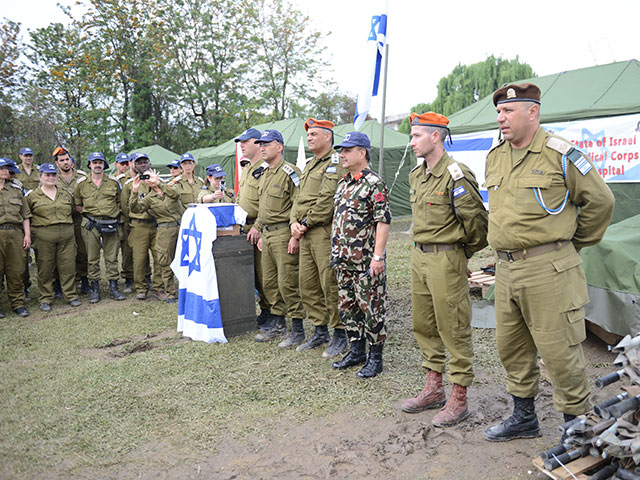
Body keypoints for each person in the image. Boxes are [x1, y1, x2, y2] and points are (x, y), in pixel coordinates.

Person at [482, 83, 615, 442]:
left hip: (550, 270)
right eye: (499, 112)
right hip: (506, 269)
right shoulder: (495, 154)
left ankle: (576, 429)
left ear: (532, 113)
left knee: (559, 352)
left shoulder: (561, 154)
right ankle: (523, 418)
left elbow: (601, 202)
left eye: (508, 112)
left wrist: (569, 243)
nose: (501, 118)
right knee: (511, 347)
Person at [399, 112, 488, 427]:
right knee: (424, 324)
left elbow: (477, 224)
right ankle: (434, 387)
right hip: (419, 257)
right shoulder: (416, 175)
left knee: (454, 326)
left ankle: (459, 395)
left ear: (435, 136)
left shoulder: (456, 174)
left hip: (446, 258)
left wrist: (461, 254)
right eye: (412, 136)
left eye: (416, 136)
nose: (412, 142)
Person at [329, 132, 391, 378]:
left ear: (362, 152)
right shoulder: (344, 183)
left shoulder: (374, 184)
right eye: (340, 150)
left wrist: (378, 257)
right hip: (343, 260)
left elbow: (383, 222)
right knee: (348, 307)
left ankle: (376, 358)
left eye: (347, 150)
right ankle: (356, 351)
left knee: (371, 308)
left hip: (365, 261)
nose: (341, 155)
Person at [287, 118, 347, 355]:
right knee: (308, 284)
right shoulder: (310, 164)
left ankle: (340, 333)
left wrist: (304, 222)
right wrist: (293, 222)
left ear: (327, 137)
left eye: (314, 134)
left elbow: (328, 199)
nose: (309, 138)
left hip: (322, 231)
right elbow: (298, 198)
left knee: (328, 283)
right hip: (305, 233)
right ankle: (320, 331)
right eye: (309, 134)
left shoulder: (335, 162)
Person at [252, 130, 305, 342]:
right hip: (268, 234)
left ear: (279, 147)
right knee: (270, 282)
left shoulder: (289, 172)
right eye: (260, 145)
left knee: (287, 282)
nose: (262, 148)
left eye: (267, 144)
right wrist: (262, 230)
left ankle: (298, 329)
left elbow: (299, 203)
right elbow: (264, 208)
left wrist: (295, 235)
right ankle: (278, 324)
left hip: (284, 232)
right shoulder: (264, 174)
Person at [26, 163, 81, 311]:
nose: (50, 178)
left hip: (66, 234)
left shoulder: (66, 194)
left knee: (68, 266)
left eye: (53, 175)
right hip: (44, 235)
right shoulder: (32, 196)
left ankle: (70, 295)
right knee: (45, 267)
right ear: (40, 176)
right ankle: (45, 298)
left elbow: (72, 211)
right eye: (47, 175)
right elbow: (27, 215)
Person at [74, 152, 126, 303]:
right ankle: (94, 289)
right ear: (89, 164)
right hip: (91, 224)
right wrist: (91, 216)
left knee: (112, 257)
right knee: (92, 258)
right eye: (94, 162)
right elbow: (77, 205)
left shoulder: (113, 182)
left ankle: (113, 288)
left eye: (100, 162)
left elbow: (118, 202)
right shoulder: (81, 183)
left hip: (110, 223)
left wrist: (109, 214)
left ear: (104, 165)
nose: (97, 165)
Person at [236, 128, 272, 330]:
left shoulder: (266, 169)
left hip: (261, 227)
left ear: (258, 143)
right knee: (256, 276)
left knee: (266, 274)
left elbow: (266, 203)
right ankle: (266, 311)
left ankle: (274, 313)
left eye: (245, 141)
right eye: (240, 142)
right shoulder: (249, 168)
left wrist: (258, 225)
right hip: (246, 227)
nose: (241, 144)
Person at [130, 169, 182, 303]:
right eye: (146, 177)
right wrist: (134, 191)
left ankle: (186, 288)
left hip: (181, 227)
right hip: (165, 230)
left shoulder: (170, 187)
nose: (149, 179)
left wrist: (160, 184)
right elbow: (135, 208)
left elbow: (176, 195)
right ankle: (170, 292)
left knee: (185, 259)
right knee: (165, 261)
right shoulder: (148, 198)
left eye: (151, 176)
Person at [121, 153, 162, 300]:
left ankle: (158, 287)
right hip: (139, 226)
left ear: (149, 164)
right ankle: (141, 288)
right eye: (139, 163)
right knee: (139, 259)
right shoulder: (129, 185)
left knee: (160, 258)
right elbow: (126, 208)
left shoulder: (158, 181)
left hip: (157, 225)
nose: (143, 164)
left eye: (145, 162)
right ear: (134, 165)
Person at [54, 147, 89, 295]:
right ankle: (58, 284)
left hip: (80, 219)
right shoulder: (52, 177)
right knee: (61, 254)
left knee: (83, 251)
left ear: (71, 161)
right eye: (61, 160)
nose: (65, 162)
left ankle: (85, 280)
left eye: (67, 159)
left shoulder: (82, 176)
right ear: (57, 163)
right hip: (61, 220)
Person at [0, 158, 31, 317]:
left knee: (16, 269)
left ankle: (18, 303)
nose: (5, 171)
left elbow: (25, 215)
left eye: (7, 168)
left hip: (15, 232)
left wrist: (27, 235)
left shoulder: (16, 189)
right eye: (2, 168)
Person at [113, 153, 134, 293]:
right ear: (116, 164)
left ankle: (135, 276)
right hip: (118, 219)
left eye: (127, 163)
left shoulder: (135, 176)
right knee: (118, 250)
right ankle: (122, 279)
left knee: (132, 249)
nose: (124, 166)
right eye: (122, 164)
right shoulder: (114, 180)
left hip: (133, 217)